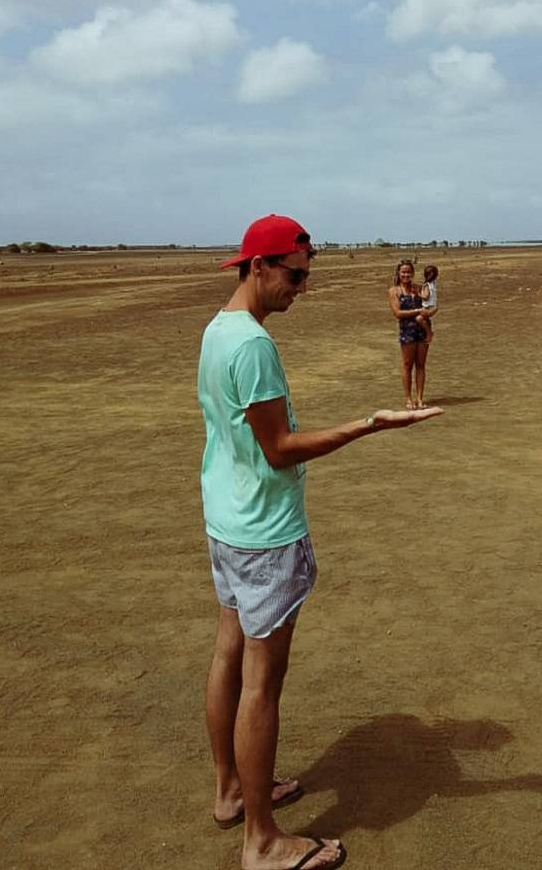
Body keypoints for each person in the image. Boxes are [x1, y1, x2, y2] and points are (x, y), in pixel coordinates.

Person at [198, 215, 442, 870]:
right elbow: (278, 451)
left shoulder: (217, 330)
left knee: (228, 654)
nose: (302, 290)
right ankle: (262, 839)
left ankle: (230, 791)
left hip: (227, 519)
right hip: (263, 532)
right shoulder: (250, 345)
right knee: (261, 683)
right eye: (296, 275)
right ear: (259, 266)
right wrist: (370, 423)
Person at [388, 259, 431, 409]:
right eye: (403, 272)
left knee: (421, 365)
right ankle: (408, 398)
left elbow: (430, 303)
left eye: (408, 272)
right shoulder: (394, 291)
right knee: (407, 365)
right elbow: (397, 313)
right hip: (407, 331)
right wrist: (417, 311)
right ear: (399, 274)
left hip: (422, 330)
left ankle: (419, 398)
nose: (406, 275)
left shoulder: (418, 288)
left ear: (412, 273)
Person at [416, 264, 439, 344]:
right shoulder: (433, 283)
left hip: (428, 307)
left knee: (418, 318)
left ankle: (429, 333)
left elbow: (426, 297)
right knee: (424, 319)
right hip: (433, 306)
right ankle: (428, 331)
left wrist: (418, 293)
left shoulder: (426, 285)